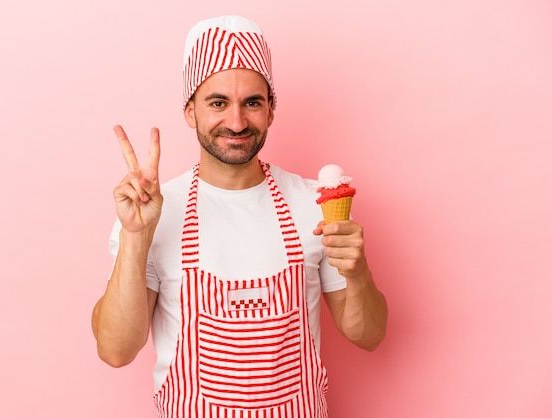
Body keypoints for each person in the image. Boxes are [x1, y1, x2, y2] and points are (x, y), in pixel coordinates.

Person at [92, 15, 387, 417]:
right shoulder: (151, 211)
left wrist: (358, 271)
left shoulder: (311, 203)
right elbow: (115, 350)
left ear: (271, 110)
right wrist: (135, 237)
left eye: (252, 102)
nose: (236, 122)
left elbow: (368, 335)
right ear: (190, 111)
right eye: (218, 103)